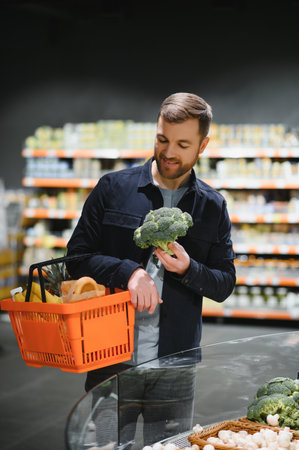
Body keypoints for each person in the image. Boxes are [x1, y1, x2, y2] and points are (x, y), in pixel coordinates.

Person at [66, 92, 236, 445]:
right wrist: (128, 271)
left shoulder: (212, 207)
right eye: (162, 139)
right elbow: (76, 258)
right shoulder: (113, 188)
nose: (169, 152)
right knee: (107, 445)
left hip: (176, 364)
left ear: (203, 145)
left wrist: (189, 268)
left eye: (182, 144)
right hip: (111, 359)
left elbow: (224, 284)